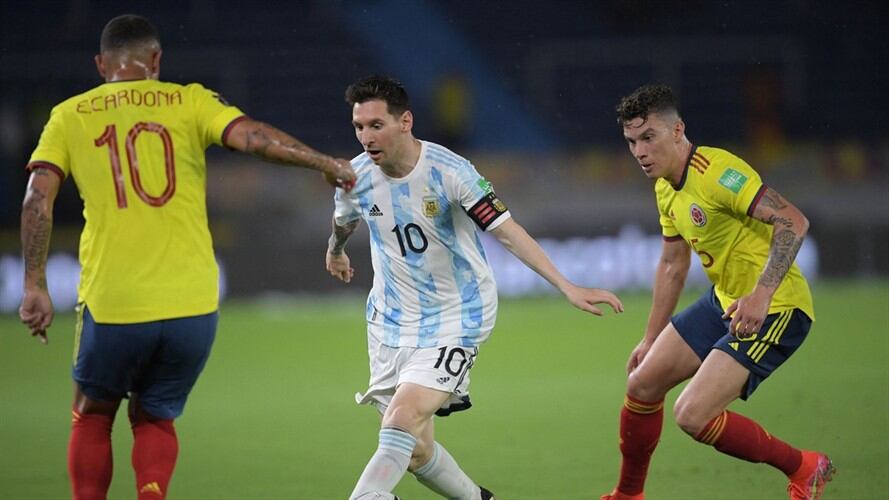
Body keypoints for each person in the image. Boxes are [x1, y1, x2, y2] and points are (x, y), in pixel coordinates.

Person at [18, 14, 355, 500]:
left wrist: (34, 284)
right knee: (155, 414)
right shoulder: (189, 100)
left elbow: (36, 199)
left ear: (100, 65)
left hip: (117, 304)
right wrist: (325, 163)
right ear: (156, 60)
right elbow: (255, 138)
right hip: (194, 306)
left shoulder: (71, 114)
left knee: (92, 413)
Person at [325, 75, 624, 500]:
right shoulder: (354, 176)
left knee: (400, 420)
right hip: (389, 322)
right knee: (414, 450)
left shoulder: (451, 172)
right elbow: (345, 217)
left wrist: (566, 285)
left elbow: (506, 231)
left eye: (376, 125)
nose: (365, 137)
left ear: (405, 121)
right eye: (359, 126)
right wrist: (336, 249)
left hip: (455, 316)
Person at [600, 84, 833, 500]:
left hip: (777, 307)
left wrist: (761, 295)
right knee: (642, 383)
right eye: (631, 141)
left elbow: (793, 221)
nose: (639, 151)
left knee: (692, 415)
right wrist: (650, 338)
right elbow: (673, 265)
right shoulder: (664, 187)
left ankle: (804, 467)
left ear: (677, 131)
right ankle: (628, 495)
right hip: (726, 302)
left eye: (648, 137)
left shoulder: (718, 172)